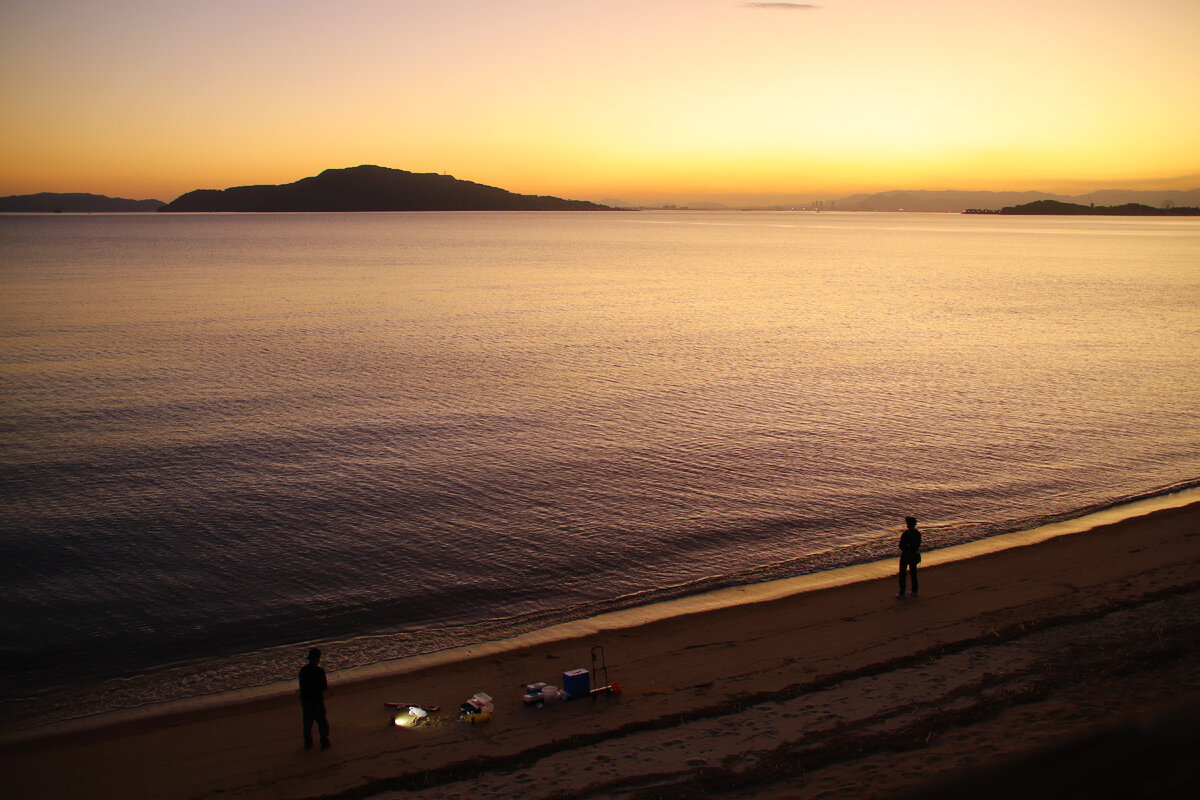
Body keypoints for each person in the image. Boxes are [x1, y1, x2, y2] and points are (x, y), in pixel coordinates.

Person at [299, 647, 330, 750]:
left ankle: (308, 742)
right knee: (322, 722)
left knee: (307, 723)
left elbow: (302, 687)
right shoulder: (319, 671)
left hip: (306, 701)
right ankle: (324, 741)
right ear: (318, 658)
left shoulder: (303, 671)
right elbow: (324, 687)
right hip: (317, 701)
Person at [896, 516, 921, 598]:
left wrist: (907, 547)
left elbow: (901, 545)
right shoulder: (917, 533)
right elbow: (917, 545)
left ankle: (902, 592)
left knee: (903, 573)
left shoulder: (906, 534)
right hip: (914, 555)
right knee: (913, 573)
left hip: (906, 555)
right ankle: (915, 591)